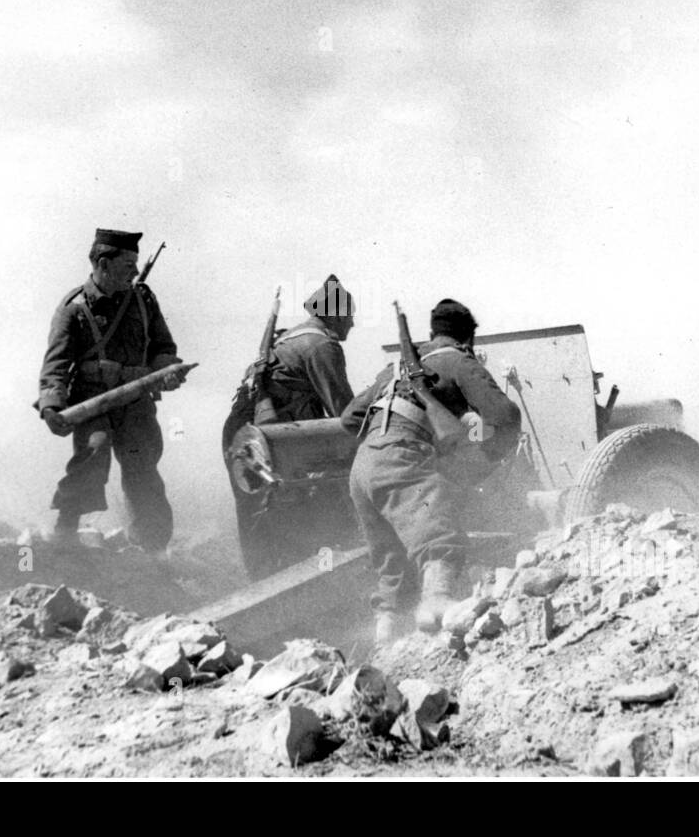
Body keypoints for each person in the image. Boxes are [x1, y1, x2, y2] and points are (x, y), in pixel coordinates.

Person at [341, 298, 521, 645]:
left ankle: (388, 640)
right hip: (403, 457)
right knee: (440, 539)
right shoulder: (457, 359)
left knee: (393, 566)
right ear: (468, 339)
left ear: (432, 333)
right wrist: (480, 453)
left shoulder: (395, 370)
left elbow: (350, 418)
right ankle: (438, 609)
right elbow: (505, 416)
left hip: (363, 467)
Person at [37, 229, 185, 553]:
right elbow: (56, 364)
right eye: (127, 263)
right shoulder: (73, 308)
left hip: (135, 402)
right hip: (92, 401)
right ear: (103, 264)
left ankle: (152, 548)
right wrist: (51, 406)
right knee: (93, 453)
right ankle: (65, 532)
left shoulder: (144, 301)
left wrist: (167, 370)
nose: (134, 271)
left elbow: (163, 346)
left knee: (142, 466)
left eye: (135, 264)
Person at [222, 275, 358, 578]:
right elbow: (344, 413)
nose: (352, 323)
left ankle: (262, 578)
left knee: (256, 511)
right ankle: (295, 578)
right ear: (334, 315)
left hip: (243, 432)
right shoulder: (321, 345)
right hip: (266, 433)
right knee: (290, 505)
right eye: (349, 315)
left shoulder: (291, 337)